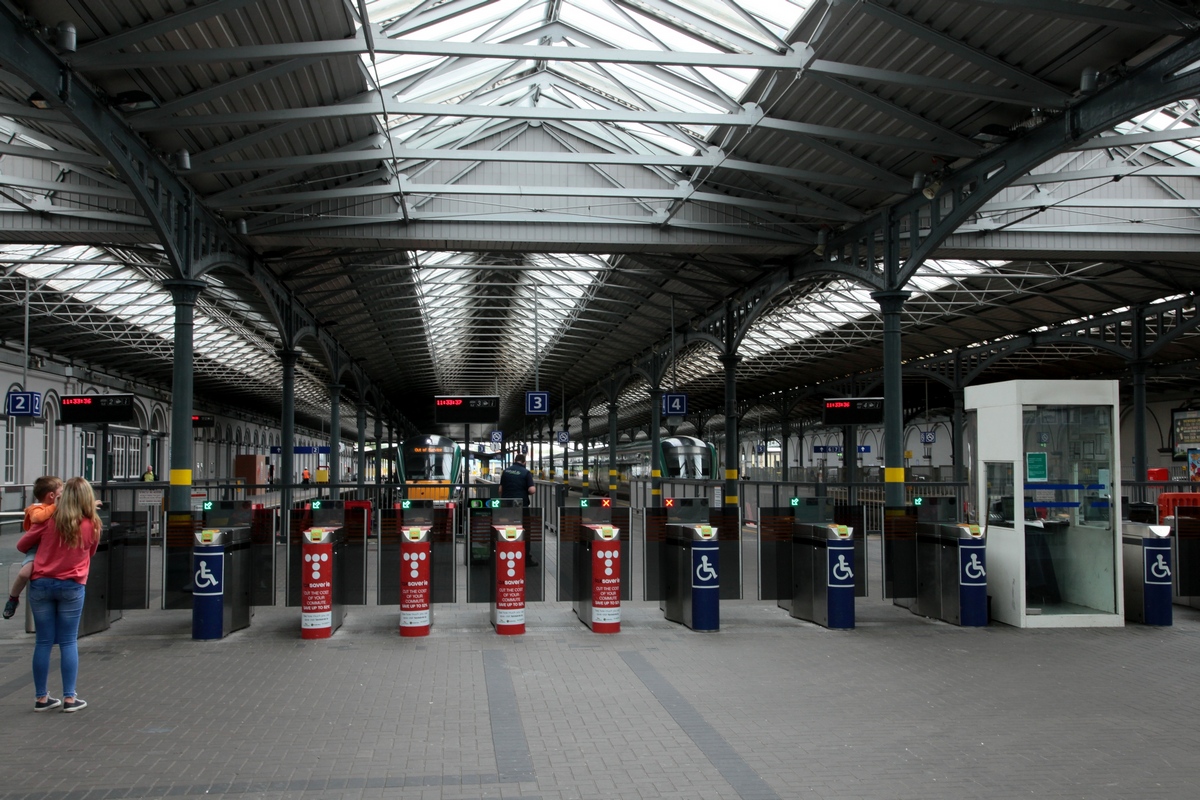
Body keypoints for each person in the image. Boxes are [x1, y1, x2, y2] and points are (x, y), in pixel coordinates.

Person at [17, 476, 102, 713]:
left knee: (43, 642)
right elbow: (90, 551)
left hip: (41, 585)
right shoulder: (91, 524)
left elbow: (22, 546)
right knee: (68, 641)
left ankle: (41, 698)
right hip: (72, 586)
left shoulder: (48, 520)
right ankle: (69, 699)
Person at [4, 476, 64, 620]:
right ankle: (13, 599)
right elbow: (38, 518)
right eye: (61, 492)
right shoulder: (35, 508)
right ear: (52, 496)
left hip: (52, 547)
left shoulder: (57, 507)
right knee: (24, 573)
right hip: (35, 548)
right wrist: (55, 506)